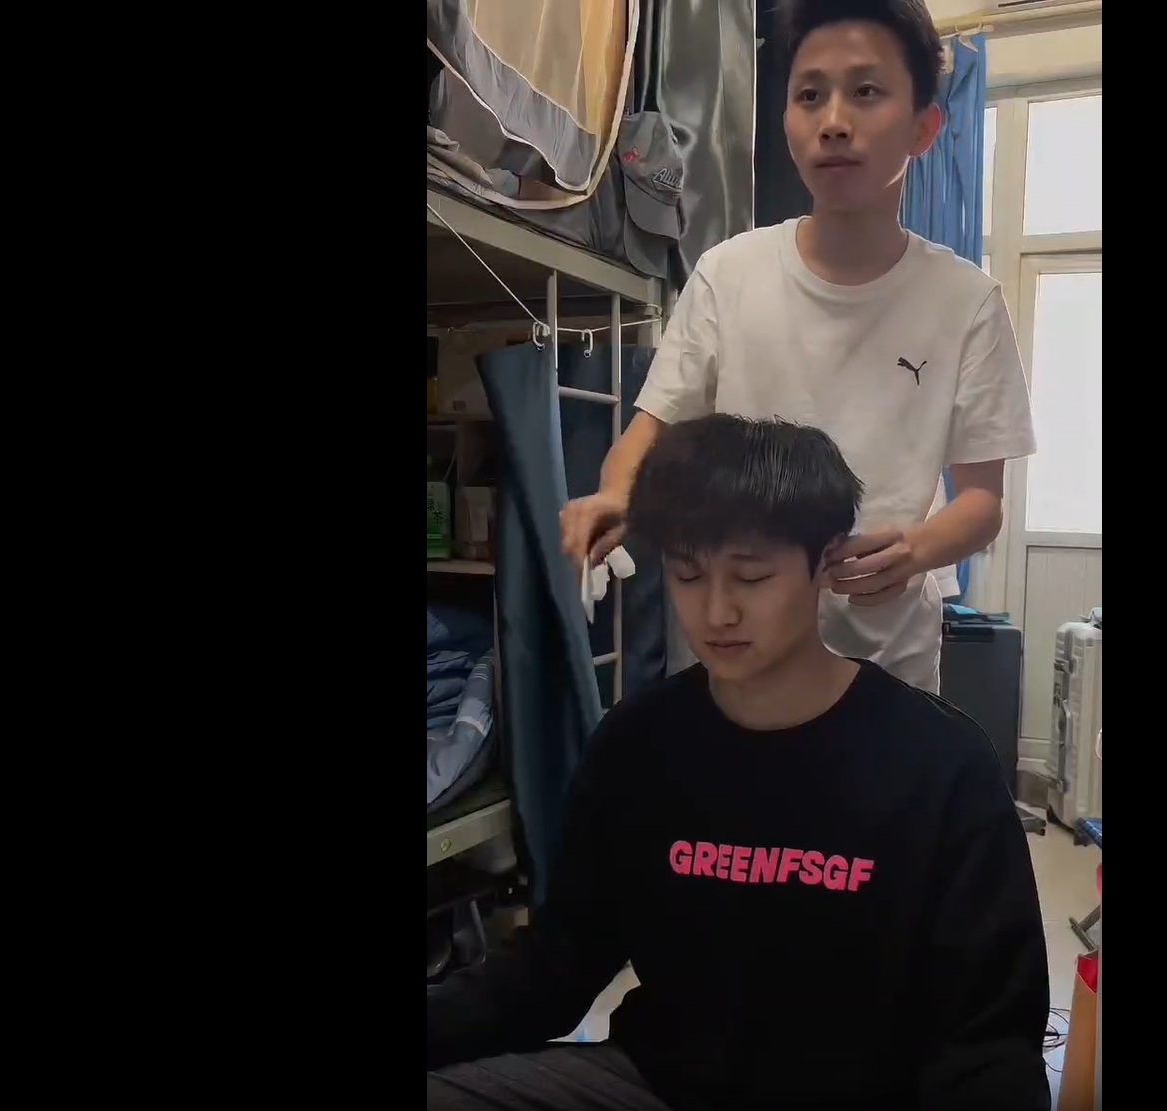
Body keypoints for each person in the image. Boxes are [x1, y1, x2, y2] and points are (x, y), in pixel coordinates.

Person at [428, 415, 1051, 1111]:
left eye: (751, 577)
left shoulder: (938, 762)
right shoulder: (638, 745)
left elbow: (989, 1044)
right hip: (661, 1083)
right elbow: (555, 969)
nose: (717, 611)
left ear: (824, 563)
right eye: (688, 575)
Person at [560, 0, 1036, 694]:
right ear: (785, 120)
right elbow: (650, 431)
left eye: (865, 92)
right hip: (730, 655)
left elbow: (982, 502)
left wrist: (915, 549)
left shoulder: (966, 302)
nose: (833, 121)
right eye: (809, 95)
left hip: (883, 663)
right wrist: (614, 494)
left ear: (924, 127)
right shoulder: (727, 274)